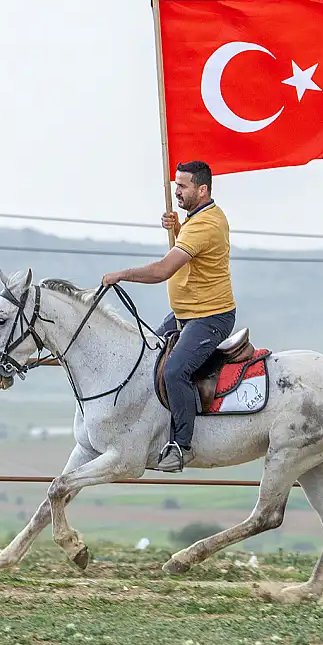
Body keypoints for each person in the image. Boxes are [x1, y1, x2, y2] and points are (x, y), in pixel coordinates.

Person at [102, 160, 236, 472]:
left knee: (175, 371)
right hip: (185, 314)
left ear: (202, 190)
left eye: (183, 186)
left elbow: (163, 270)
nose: (177, 191)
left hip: (209, 318)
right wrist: (177, 229)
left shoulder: (204, 225)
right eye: (176, 186)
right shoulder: (197, 218)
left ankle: (182, 446)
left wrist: (122, 274)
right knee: (147, 353)